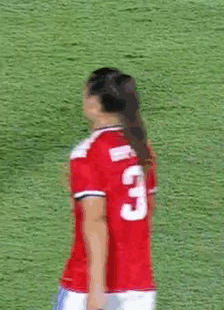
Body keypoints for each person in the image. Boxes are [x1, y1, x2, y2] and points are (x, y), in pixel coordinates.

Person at [54, 68, 158, 310]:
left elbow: (96, 222)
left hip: (85, 287)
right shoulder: (143, 149)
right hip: (139, 286)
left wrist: (96, 291)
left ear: (95, 104)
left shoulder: (88, 153)